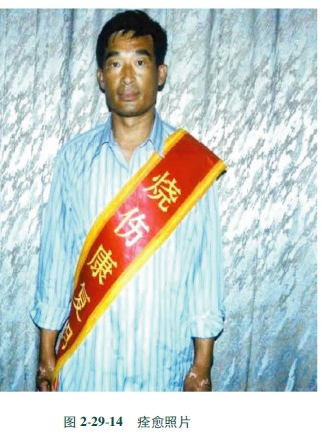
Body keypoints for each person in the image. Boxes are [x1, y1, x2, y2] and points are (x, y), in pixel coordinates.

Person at [31, 9, 226, 392]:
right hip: (87, 366)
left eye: (140, 62)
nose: (127, 77)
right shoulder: (73, 159)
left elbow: (205, 268)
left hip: (161, 368)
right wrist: (46, 353)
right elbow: (56, 258)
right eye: (115, 63)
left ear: (161, 73)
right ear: (101, 77)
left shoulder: (190, 164)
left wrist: (202, 365)